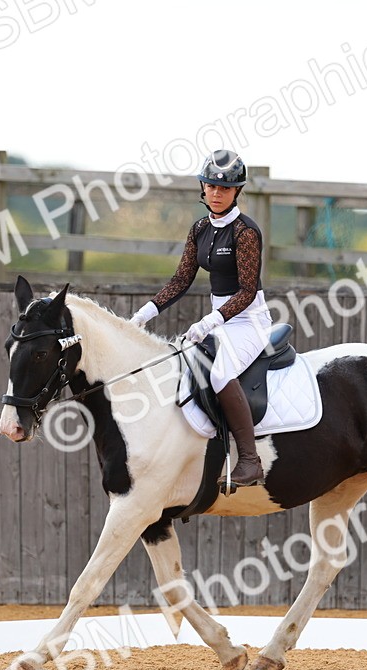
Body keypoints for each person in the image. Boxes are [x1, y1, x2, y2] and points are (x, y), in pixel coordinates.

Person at [129, 150, 272, 489]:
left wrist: (211, 321)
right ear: (203, 188)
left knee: (220, 372)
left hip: (249, 321)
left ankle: (250, 461)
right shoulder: (199, 229)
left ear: (237, 192)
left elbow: (248, 291)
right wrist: (142, 315)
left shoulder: (245, 232)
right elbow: (181, 281)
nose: (217, 194)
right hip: (222, 320)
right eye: (211, 187)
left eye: (225, 189)